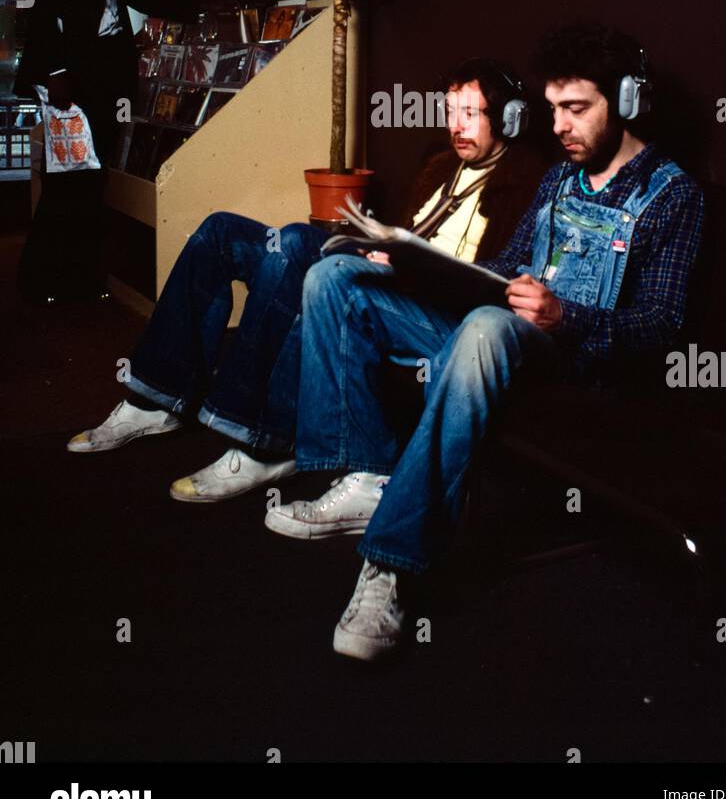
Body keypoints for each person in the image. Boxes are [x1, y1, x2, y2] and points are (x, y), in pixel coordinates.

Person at [272, 22, 705, 661]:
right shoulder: (560, 179)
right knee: (338, 275)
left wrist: (567, 316)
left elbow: (663, 324)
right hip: (497, 334)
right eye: (554, 109)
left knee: (485, 327)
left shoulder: (675, 196)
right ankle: (364, 477)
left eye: (577, 109)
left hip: (575, 359)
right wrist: (419, 264)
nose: (559, 126)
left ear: (627, 102)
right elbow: (504, 266)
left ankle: (390, 563)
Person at [66, 60, 545, 508]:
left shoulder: (524, 182)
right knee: (223, 232)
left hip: (420, 301)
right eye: (450, 112)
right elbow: (406, 234)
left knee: (293, 254)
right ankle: (154, 396)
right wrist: (377, 249)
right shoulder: (441, 164)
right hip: (385, 272)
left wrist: (410, 269)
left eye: (471, 114)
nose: (456, 125)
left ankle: (261, 443)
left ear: (508, 119)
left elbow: (493, 277)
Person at [15, 0, 196, 304]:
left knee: (93, 180)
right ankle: (39, 282)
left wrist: (190, 11)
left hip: (106, 72)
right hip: (71, 78)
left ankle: (79, 277)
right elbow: (36, 8)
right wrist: (57, 72)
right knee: (68, 178)